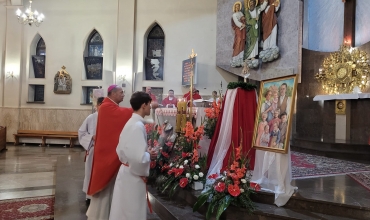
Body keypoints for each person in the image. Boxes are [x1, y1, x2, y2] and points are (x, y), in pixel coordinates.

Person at [86, 85, 133, 220]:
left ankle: (109, 214)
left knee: (111, 187)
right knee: (105, 188)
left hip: (106, 151)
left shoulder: (110, 106)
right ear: (112, 94)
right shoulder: (106, 106)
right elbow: (121, 115)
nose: (123, 95)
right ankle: (100, 215)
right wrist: (138, 110)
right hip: (106, 153)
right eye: (121, 92)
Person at [109, 91, 158, 220]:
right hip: (132, 177)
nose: (150, 107)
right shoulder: (137, 126)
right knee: (132, 212)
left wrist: (145, 153)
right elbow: (139, 160)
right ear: (143, 105)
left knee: (123, 211)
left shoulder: (132, 122)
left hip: (126, 172)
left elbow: (121, 150)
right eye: (149, 104)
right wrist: (149, 156)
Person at [78, 97, 104, 205]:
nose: (102, 107)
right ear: (97, 106)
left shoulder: (110, 118)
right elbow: (81, 133)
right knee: (90, 172)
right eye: (101, 104)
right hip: (93, 150)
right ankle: (89, 195)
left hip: (105, 152)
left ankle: (102, 195)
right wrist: (91, 137)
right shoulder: (91, 117)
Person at [230, 1, 246, 67]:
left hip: (243, 30)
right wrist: (242, 25)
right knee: (238, 41)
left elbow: (244, 19)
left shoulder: (241, 13)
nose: (237, 7)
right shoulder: (234, 15)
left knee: (242, 42)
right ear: (234, 8)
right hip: (238, 30)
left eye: (238, 6)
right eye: (236, 6)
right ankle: (235, 58)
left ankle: (241, 57)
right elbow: (236, 22)